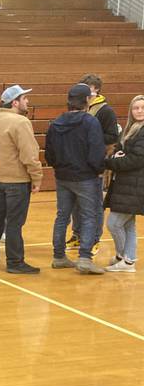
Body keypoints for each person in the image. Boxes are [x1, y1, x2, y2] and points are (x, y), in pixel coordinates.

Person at [45, 83, 106, 274]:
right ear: (86, 100)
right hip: (86, 177)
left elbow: (49, 155)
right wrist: (98, 170)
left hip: (63, 177)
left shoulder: (56, 123)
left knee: (62, 216)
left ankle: (59, 257)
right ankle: (85, 258)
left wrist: (60, 168)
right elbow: (96, 151)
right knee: (89, 216)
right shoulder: (90, 122)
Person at [0, 84, 43, 274]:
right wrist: (37, 177)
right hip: (17, 181)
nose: (27, 101)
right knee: (15, 223)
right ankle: (15, 262)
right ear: (15, 102)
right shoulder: (20, 122)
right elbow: (29, 154)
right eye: (24, 98)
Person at [67, 74, 119, 254]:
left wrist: (89, 137)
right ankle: (77, 234)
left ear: (96, 90)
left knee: (95, 204)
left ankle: (95, 238)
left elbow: (112, 136)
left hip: (94, 163)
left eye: (88, 88)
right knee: (76, 203)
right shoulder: (78, 107)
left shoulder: (105, 111)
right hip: (77, 162)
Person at [102, 94, 144, 272]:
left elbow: (136, 160)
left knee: (114, 223)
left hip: (135, 186)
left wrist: (111, 162)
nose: (139, 111)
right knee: (128, 224)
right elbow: (118, 149)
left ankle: (125, 258)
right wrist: (115, 156)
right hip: (126, 184)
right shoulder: (130, 129)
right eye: (136, 108)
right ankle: (127, 260)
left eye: (142, 108)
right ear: (131, 111)